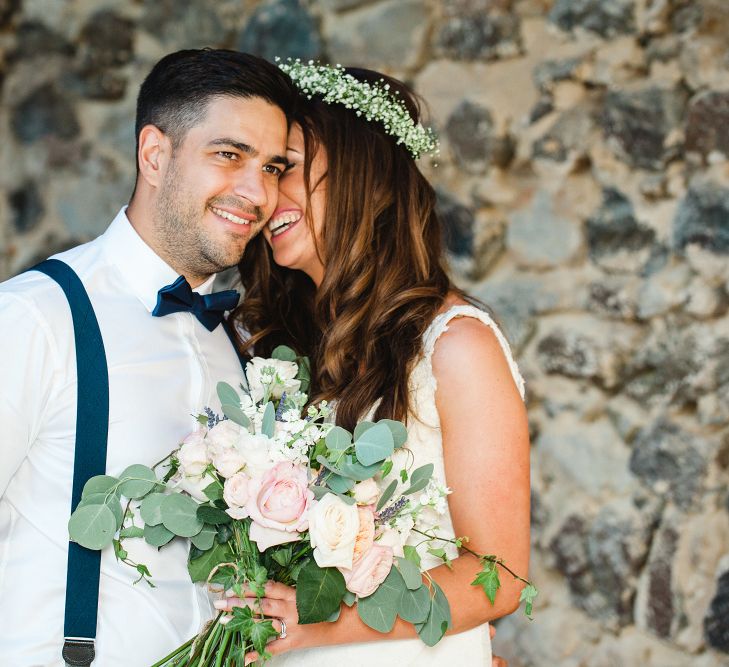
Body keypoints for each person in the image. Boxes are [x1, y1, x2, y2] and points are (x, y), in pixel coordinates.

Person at [0, 48, 296, 666]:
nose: (256, 191)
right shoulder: (35, 318)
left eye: (272, 167)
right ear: (155, 154)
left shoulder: (235, 341)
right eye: (229, 154)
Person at [229, 62, 531, 666]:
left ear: (361, 176)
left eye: (284, 168)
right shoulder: (267, 343)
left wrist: (319, 627)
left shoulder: (455, 347)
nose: (264, 194)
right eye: (263, 171)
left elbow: (498, 576)